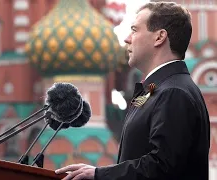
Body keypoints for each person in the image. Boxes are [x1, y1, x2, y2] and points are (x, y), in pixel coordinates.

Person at [55, 1, 210, 180]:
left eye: (135, 30)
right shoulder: (153, 88)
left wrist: (99, 174)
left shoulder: (173, 92)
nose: (127, 38)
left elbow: (162, 167)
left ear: (159, 37)